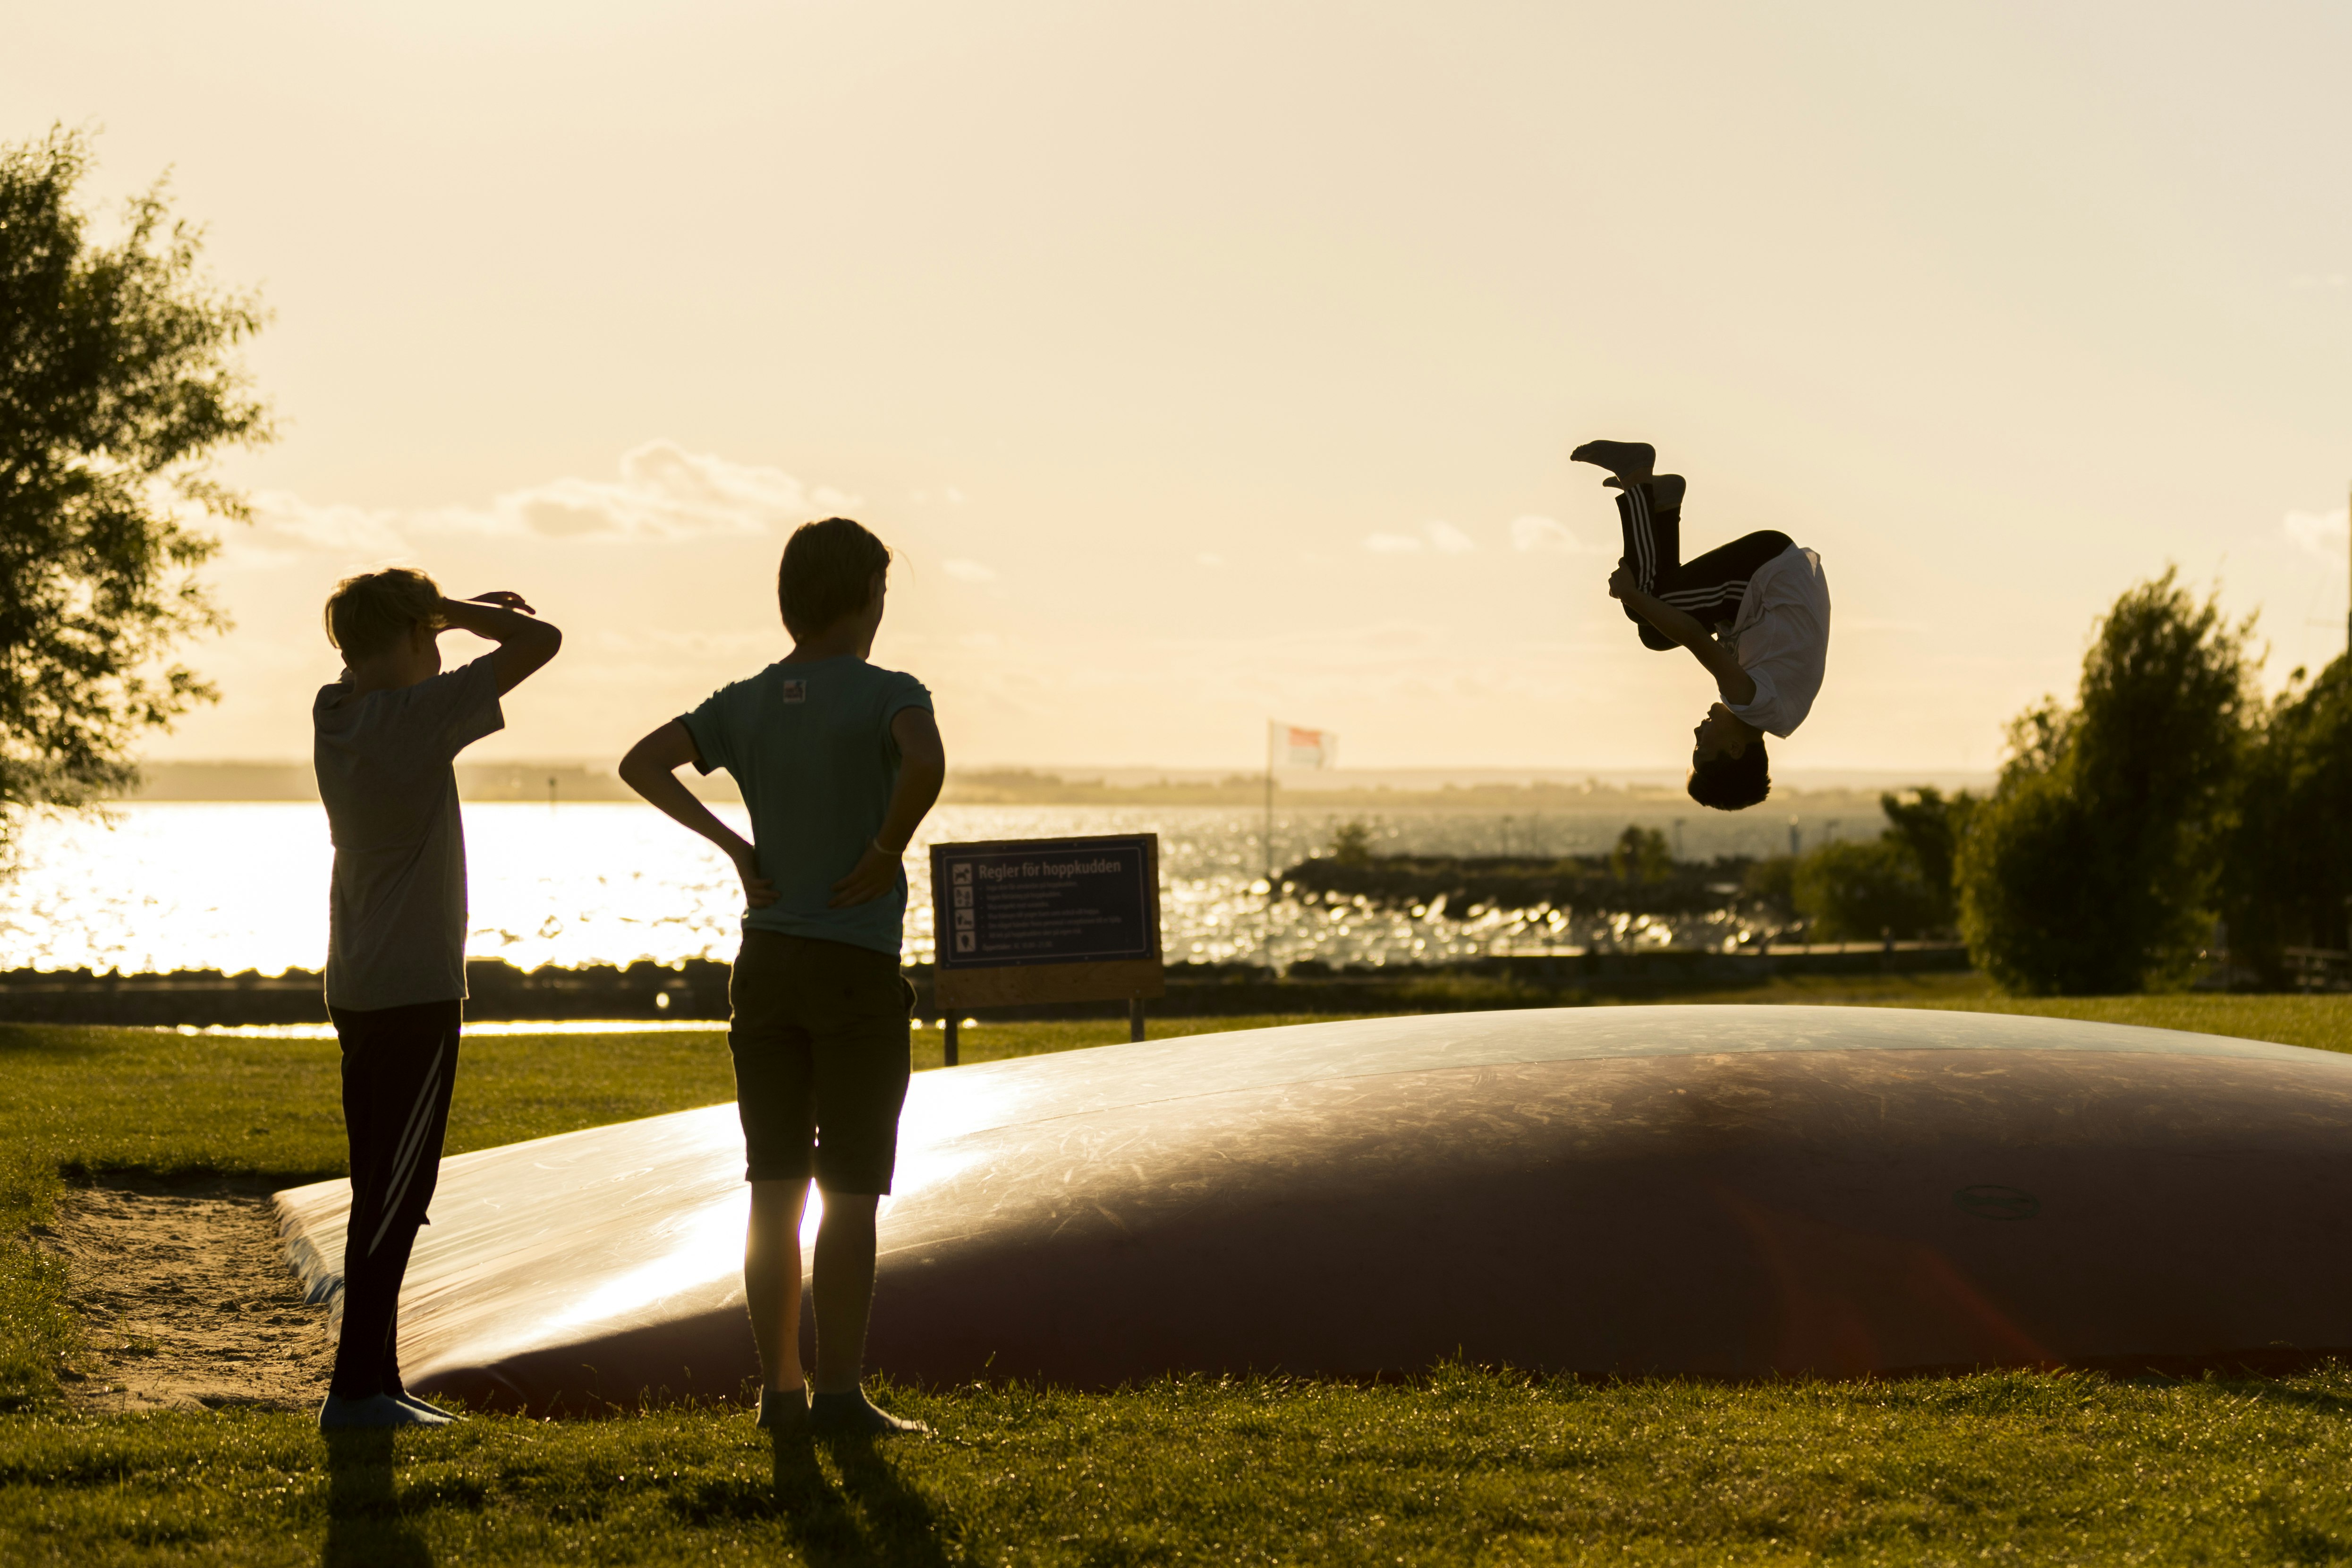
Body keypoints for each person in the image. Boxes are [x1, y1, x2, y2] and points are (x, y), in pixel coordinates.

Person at [619, 517, 946, 1438]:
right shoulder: (889, 691)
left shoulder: (749, 700)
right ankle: (840, 1393)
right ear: (867, 599)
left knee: (772, 1185)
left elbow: (641, 760)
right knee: (846, 1190)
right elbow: (924, 759)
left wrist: (733, 844)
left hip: (764, 963)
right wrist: (887, 846)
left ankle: (781, 1394)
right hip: (852, 966)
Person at [311, 568, 562, 1430]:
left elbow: (373, 663)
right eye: (426, 633)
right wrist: (457, 613)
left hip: (359, 983)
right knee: (397, 1193)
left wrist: (430, 626)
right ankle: (354, 1394)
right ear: (417, 635)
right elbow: (543, 642)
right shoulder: (416, 721)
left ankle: (377, 1384)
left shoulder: (336, 713)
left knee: (382, 1183)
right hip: (415, 988)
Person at [1573, 439, 1831, 811]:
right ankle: (1635, 475)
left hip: (1763, 580)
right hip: (1763, 571)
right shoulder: (1751, 703)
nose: (1696, 733)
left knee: (1654, 632)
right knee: (1645, 606)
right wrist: (1628, 594)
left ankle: (1661, 503)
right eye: (1699, 747)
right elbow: (1694, 637)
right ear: (1734, 748)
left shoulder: (1775, 714)